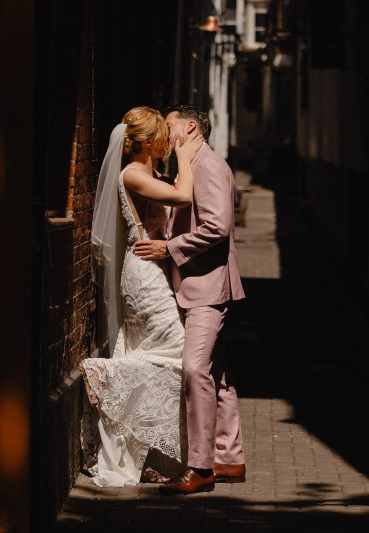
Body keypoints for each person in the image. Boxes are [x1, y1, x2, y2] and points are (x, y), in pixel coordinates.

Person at [80, 106, 202, 487]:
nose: (168, 139)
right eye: (163, 134)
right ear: (148, 142)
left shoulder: (149, 174)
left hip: (154, 269)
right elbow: (183, 195)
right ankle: (106, 375)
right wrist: (186, 155)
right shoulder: (132, 173)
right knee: (178, 349)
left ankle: (140, 454)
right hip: (144, 277)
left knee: (155, 351)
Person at [134, 104, 246, 494]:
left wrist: (169, 248)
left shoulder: (208, 164)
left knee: (195, 369)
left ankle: (200, 467)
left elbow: (217, 225)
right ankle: (229, 458)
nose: (165, 132)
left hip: (207, 286)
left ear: (191, 126)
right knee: (217, 374)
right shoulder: (190, 163)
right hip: (196, 283)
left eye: (169, 125)